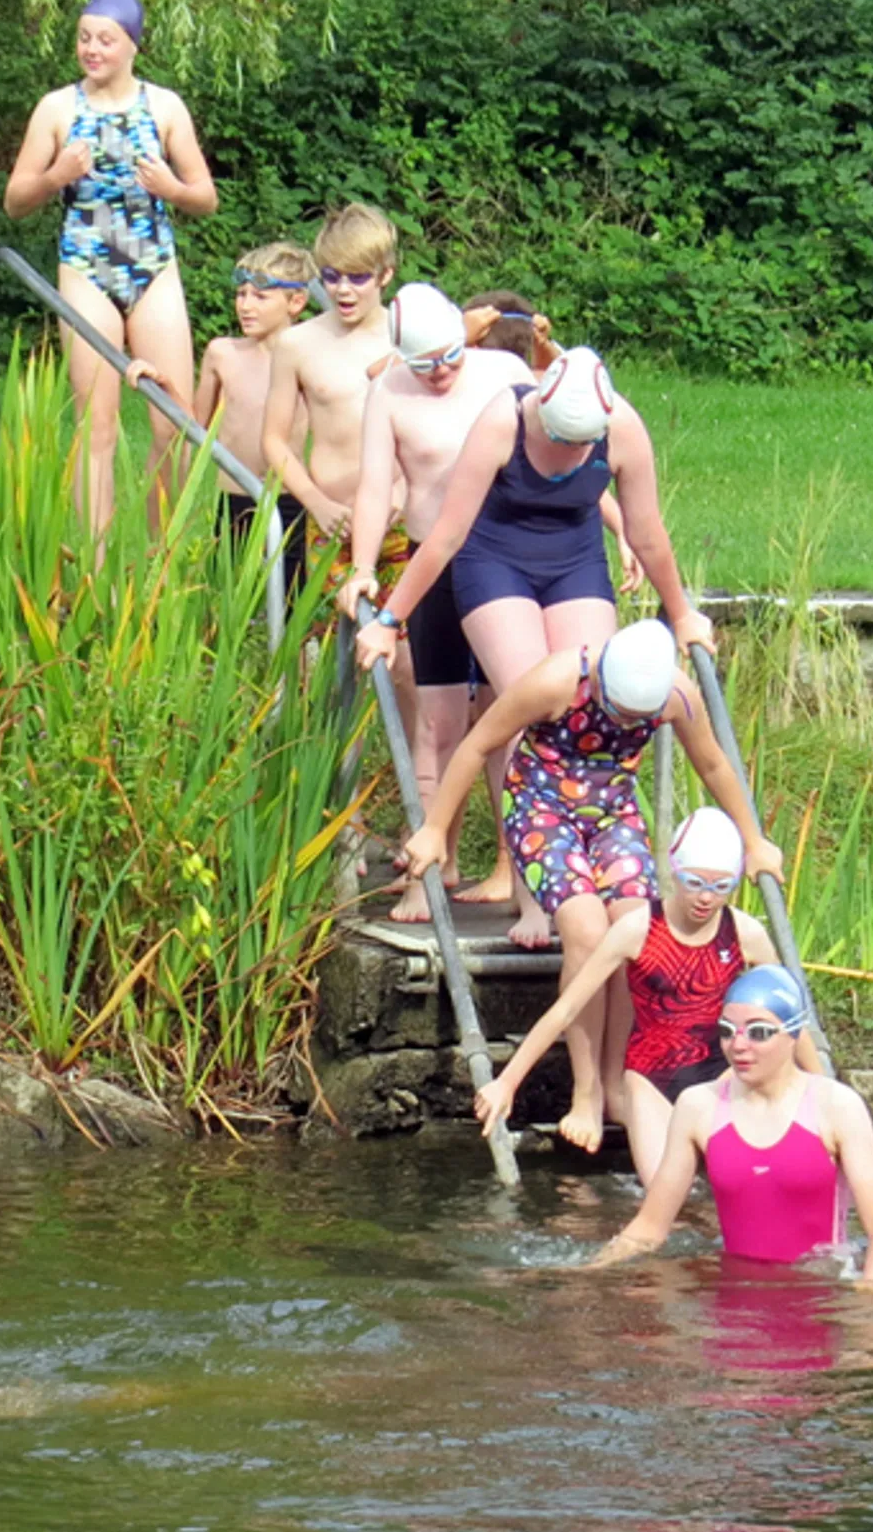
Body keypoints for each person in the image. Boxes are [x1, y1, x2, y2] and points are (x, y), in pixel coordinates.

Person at [358, 348, 705, 946]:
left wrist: (683, 616)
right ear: (542, 407)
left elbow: (646, 531)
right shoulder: (504, 421)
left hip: (572, 562)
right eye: (560, 438)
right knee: (530, 713)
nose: (570, 453)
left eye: (581, 443)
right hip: (493, 561)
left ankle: (594, 878)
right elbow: (445, 537)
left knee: (592, 710)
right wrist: (390, 619)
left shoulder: (623, 426)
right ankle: (535, 892)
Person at [403, 619, 783, 1149]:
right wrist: (435, 830)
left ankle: (616, 1081)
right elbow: (475, 746)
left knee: (633, 927)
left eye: (637, 719)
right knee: (583, 928)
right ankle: (584, 1091)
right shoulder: (558, 680)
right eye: (618, 712)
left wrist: (754, 840)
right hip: (540, 804)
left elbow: (715, 764)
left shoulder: (676, 695)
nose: (627, 722)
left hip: (611, 809)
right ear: (600, 680)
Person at [474, 805, 824, 1175]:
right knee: (663, 1194)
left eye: (720, 887)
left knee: (737, 1186)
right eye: (694, 883)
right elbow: (567, 1009)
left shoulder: (745, 933)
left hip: (719, 1076)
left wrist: (820, 1089)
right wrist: (506, 1083)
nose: (706, 898)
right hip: (649, 1081)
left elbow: (790, 1017)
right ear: (674, 872)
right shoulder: (637, 929)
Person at [340, 283, 531, 920]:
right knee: (437, 723)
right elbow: (374, 487)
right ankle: (429, 871)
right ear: (403, 359)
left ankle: (522, 879)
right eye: (425, 364)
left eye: (451, 356)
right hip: (434, 567)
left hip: (504, 563)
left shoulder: (503, 373)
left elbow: (566, 452)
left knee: (512, 718)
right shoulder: (389, 392)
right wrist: (365, 568)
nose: (442, 371)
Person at [3, 0, 217, 536]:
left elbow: (205, 197)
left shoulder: (163, 106)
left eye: (105, 39)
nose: (91, 49)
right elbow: (15, 201)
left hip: (152, 267)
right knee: (96, 427)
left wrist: (171, 187)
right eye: (83, 38)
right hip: (86, 268)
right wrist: (56, 177)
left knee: (175, 421)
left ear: (132, 45)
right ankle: (97, 579)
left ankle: (157, 561)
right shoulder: (57, 108)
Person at [593, 966, 873, 1284]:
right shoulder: (699, 1106)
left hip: (819, 1299)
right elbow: (649, 1228)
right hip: (732, 1304)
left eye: (758, 1033)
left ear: (794, 1034)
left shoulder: (836, 1106)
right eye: (727, 1031)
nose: (738, 1046)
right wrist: (586, 1275)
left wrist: (868, 1298)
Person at [260, 203, 400, 550]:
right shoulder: (297, 343)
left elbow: (440, 425)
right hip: (332, 520)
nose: (343, 290)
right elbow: (273, 440)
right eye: (332, 277)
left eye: (358, 277)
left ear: (385, 274)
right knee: (330, 605)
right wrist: (316, 502)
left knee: (403, 607)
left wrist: (404, 493)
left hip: (402, 517)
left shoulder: (407, 337)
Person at [190, 241, 315, 597]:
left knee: (291, 600)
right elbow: (195, 426)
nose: (245, 305)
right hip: (235, 497)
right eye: (241, 294)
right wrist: (162, 382)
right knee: (226, 600)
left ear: (296, 302)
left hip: (289, 494)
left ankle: (294, 653)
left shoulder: (309, 357)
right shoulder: (222, 354)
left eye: (260, 297)